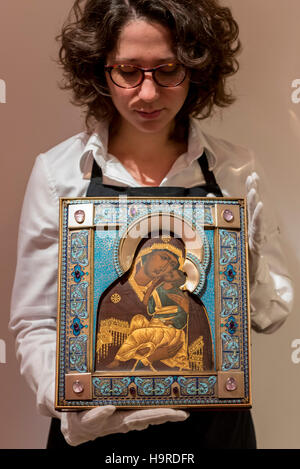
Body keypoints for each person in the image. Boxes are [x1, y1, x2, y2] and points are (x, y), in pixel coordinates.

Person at [9, 0, 293, 450]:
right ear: (100, 70)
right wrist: (65, 403)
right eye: (128, 70)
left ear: (196, 70)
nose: (148, 93)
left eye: (168, 70)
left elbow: (267, 315)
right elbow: (37, 320)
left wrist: (250, 261)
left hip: (213, 435)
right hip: (96, 435)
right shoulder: (58, 172)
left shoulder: (238, 171)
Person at [95, 236, 213, 373]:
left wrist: (189, 312)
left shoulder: (179, 296)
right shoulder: (115, 297)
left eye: (172, 264)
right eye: (163, 257)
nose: (165, 266)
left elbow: (198, 350)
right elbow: (104, 362)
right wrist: (151, 357)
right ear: (146, 253)